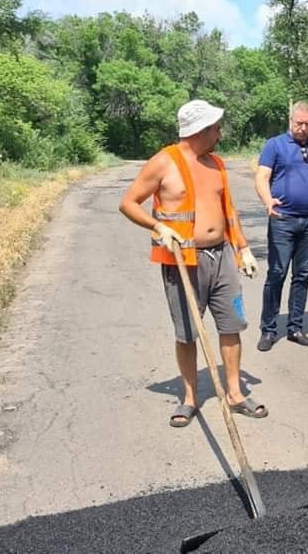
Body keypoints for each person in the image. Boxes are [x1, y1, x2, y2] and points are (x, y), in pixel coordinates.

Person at [119, 99, 266, 428]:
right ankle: (189, 399)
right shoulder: (164, 162)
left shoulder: (217, 163)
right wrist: (158, 226)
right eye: (215, 128)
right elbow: (128, 203)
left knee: (232, 325)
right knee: (187, 333)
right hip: (184, 262)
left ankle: (235, 393)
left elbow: (229, 210)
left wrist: (243, 249)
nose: (220, 133)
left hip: (222, 256)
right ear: (200, 130)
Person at [254, 101, 308, 351]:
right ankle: (268, 329)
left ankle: (295, 327)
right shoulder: (275, 145)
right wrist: (267, 200)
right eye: (298, 123)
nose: (303, 128)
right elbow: (262, 177)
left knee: (302, 275)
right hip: (282, 220)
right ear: (290, 120)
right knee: (277, 273)